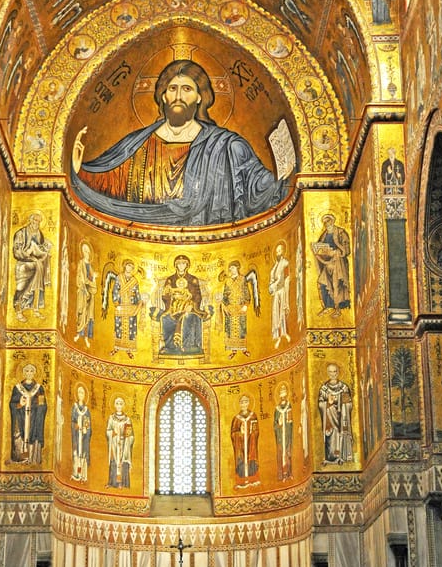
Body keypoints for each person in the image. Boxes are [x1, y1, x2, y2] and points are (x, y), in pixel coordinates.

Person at [71, 58, 293, 226]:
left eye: (187, 89)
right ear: (163, 96)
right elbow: (108, 183)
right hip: (142, 240)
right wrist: (79, 169)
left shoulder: (227, 146)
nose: (178, 96)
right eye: (172, 89)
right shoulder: (137, 144)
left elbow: (261, 190)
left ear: (199, 97)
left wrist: (287, 177)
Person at [155, 254, 210, 355]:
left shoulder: (193, 279)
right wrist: (170, 297)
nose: (181, 266)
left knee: (187, 317)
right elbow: (165, 296)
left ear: (187, 265)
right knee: (165, 318)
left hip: (190, 308)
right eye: (179, 264)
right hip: (173, 307)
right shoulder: (170, 279)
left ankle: (187, 346)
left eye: (183, 263)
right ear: (176, 265)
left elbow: (198, 296)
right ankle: (170, 346)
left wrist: (192, 305)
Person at [12, 211, 52, 322]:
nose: (37, 223)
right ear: (30, 220)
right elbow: (16, 252)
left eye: (39, 221)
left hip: (37, 265)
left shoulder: (39, 234)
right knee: (21, 288)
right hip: (24, 265)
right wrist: (28, 252)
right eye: (35, 220)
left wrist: (45, 251)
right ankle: (18, 310)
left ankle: (35, 309)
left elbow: (41, 248)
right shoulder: (21, 233)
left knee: (36, 289)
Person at [312, 214, 351, 318]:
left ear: (332, 221)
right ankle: (328, 306)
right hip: (327, 263)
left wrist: (337, 251)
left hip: (338, 264)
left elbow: (346, 249)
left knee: (336, 285)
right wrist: (317, 248)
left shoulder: (341, 232)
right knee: (322, 283)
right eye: (325, 222)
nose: (327, 224)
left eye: (328, 221)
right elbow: (321, 246)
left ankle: (337, 308)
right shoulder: (324, 234)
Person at [9, 363, 47, 464]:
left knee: (33, 434)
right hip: (21, 417)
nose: (29, 373)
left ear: (34, 373)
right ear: (23, 373)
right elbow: (12, 404)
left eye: (31, 371)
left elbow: (42, 405)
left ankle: (32, 458)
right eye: (27, 371)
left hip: (34, 418)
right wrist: (19, 404)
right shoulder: (17, 388)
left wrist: (37, 407)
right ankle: (20, 456)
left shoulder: (39, 388)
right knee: (19, 433)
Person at [105, 259, 142, 358]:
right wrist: (116, 301)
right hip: (121, 306)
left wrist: (139, 302)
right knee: (118, 327)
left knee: (130, 328)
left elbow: (138, 293)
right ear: (124, 266)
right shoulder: (119, 278)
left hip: (131, 306)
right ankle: (116, 348)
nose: (130, 268)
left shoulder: (134, 281)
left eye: (131, 266)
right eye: (128, 266)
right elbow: (115, 290)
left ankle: (129, 349)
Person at [318, 363, 354, 465]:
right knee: (331, 436)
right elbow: (320, 404)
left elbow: (349, 404)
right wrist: (327, 404)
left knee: (340, 434)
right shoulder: (324, 389)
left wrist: (341, 404)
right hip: (329, 419)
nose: (333, 374)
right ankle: (330, 457)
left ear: (338, 372)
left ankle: (340, 455)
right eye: (330, 372)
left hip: (341, 417)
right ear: (327, 373)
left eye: (334, 371)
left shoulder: (344, 387)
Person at [221, 261, 257, 358]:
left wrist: (246, 304)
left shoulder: (242, 279)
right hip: (231, 308)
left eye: (232, 268)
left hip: (240, 308)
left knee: (241, 329)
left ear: (237, 268)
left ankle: (243, 349)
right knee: (230, 330)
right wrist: (225, 305)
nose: (231, 270)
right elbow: (225, 295)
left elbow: (246, 292)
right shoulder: (227, 281)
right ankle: (233, 350)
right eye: (230, 268)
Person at [231, 395, 260, 488]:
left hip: (251, 444)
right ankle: (241, 481)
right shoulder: (236, 419)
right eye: (242, 402)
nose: (244, 404)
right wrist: (240, 433)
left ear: (249, 403)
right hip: (241, 445)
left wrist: (252, 434)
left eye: (246, 402)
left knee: (251, 461)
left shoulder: (253, 416)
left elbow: (256, 431)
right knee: (242, 461)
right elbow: (233, 433)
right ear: (239, 404)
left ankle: (253, 480)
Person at [106, 396, 134, 488]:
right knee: (114, 461)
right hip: (114, 443)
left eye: (121, 403)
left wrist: (128, 437)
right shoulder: (111, 418)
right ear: (114, 405)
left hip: (123, 443)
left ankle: (122, 483)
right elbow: (108, 430)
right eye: (117, 403)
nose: (119, 405)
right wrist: (112, 433)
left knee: (123, 462)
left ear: (123, 405)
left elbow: (130, 434)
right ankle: (113, 482)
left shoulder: (127, 419)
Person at [74, 241, 97, 347]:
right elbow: (80, 277)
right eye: (84, 250)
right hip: (83, 292)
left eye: (87, 250)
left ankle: (87, 337)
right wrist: (87, 282)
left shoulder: (90, 266)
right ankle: (79, 334)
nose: (86, 252)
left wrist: (93, 279)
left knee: (89, 315)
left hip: (90, 293)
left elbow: (91, 278)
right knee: (81, 312)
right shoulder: (81, 263)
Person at [269, 242, 291, 348]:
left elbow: (286, 279)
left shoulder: (285, 263)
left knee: (282, 312)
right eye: (276, 251)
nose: (278, 253)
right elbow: (272, 280)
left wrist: (286, 298)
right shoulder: (274, 267)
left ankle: (284, 333)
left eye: (280, 251)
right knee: (276, 313)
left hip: (282, 291)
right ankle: (277, 335)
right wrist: (272, 287)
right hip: (276, 293)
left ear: (283, 252)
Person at [70, 384, 92, 482]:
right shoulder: (74, 408)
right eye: (79, 392)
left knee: (83, 454)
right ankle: (76, 474)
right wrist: (75, 426)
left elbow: (88, 425)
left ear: (85, 395)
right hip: (76, 436)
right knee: (76, 454)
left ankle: (83, 475)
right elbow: (72, 421)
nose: (81, 394)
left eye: (82, 392)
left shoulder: (86, 410)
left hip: (83, 437)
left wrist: (85, 430)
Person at [274, 383, 293, 482]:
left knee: (288, 452)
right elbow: (275, 424)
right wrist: (279, 424)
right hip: (280, 435)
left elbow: (291, 421)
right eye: (281, 391)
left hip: (288, 434)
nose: (282, 393)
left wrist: (288, 421)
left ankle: (289, 473)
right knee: (281, 453)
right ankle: (282, 474)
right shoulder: (277, 409)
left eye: (284, 391)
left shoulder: (289, 405)